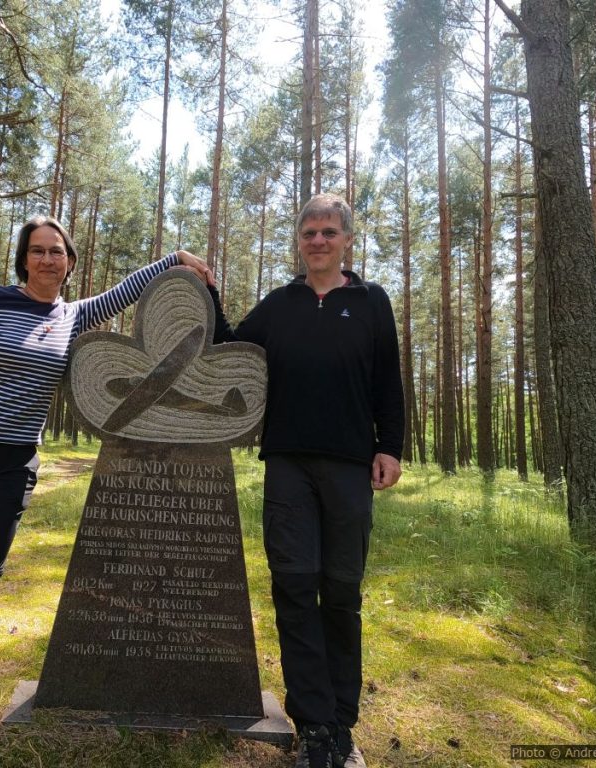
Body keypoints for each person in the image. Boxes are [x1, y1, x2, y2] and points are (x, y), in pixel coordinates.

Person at [0, 214, 213, 761]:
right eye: (37, 251)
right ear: (24, 259)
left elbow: (126, 291)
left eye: (57, 252)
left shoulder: (74, 315)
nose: (47, 259)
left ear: (69, 261)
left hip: (10, 462)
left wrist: (176, 260)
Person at [205, 193, 404, 768]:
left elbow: (388, 379)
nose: (318, 241)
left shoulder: (370, 301)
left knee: (340, 592)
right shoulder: (282, 303)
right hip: (287, 466)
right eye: (309, 233)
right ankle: (313, 726)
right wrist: (208, 289)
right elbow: (231, 348)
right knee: (294, 588)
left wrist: (389, 446)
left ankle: (342, 724)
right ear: (300, 242)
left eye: (328, 232)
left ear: (346, 240)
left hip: (349, 468)